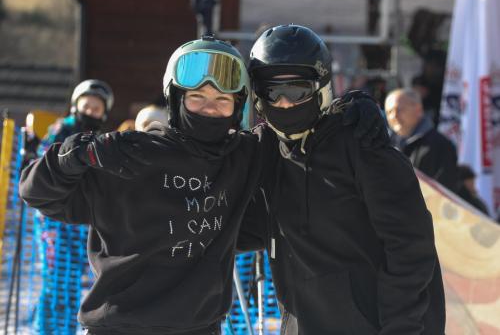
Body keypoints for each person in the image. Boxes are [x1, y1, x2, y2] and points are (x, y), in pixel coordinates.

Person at [20, 34, 385, 334]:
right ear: (177, 99)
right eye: (197, 98)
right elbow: (37, 193)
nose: (210, 108)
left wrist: (344, 112)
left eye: (222, 100)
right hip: (120, 327)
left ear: (237, 106)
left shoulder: (245, 154)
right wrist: (74, 156)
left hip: (200, 328)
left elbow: (298, 132)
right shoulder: (132, 155)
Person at [238, 24, 446, 334]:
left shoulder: (363, 148)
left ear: (320, 88)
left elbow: (410, 249)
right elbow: (239, 228)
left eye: (297, 91)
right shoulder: (265, 155)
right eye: (272, 91)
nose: (283, 103)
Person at [33, 79, 114, 334]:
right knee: (57, 282)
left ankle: (63, 329)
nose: (90, 111)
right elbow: (42, 164)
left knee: (70, 283)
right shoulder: (61, 130)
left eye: (96, 108)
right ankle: (49, 330)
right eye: (86, 105)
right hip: (55, 222)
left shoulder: (100, 139)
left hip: (82, 223)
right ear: (75, 105)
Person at [385, 87, 458, 191]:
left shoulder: (440, 145)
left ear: (418, 110)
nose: (394, 116)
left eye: (399, 109)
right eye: (389, 112)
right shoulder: (386, 146)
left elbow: (443, 193)